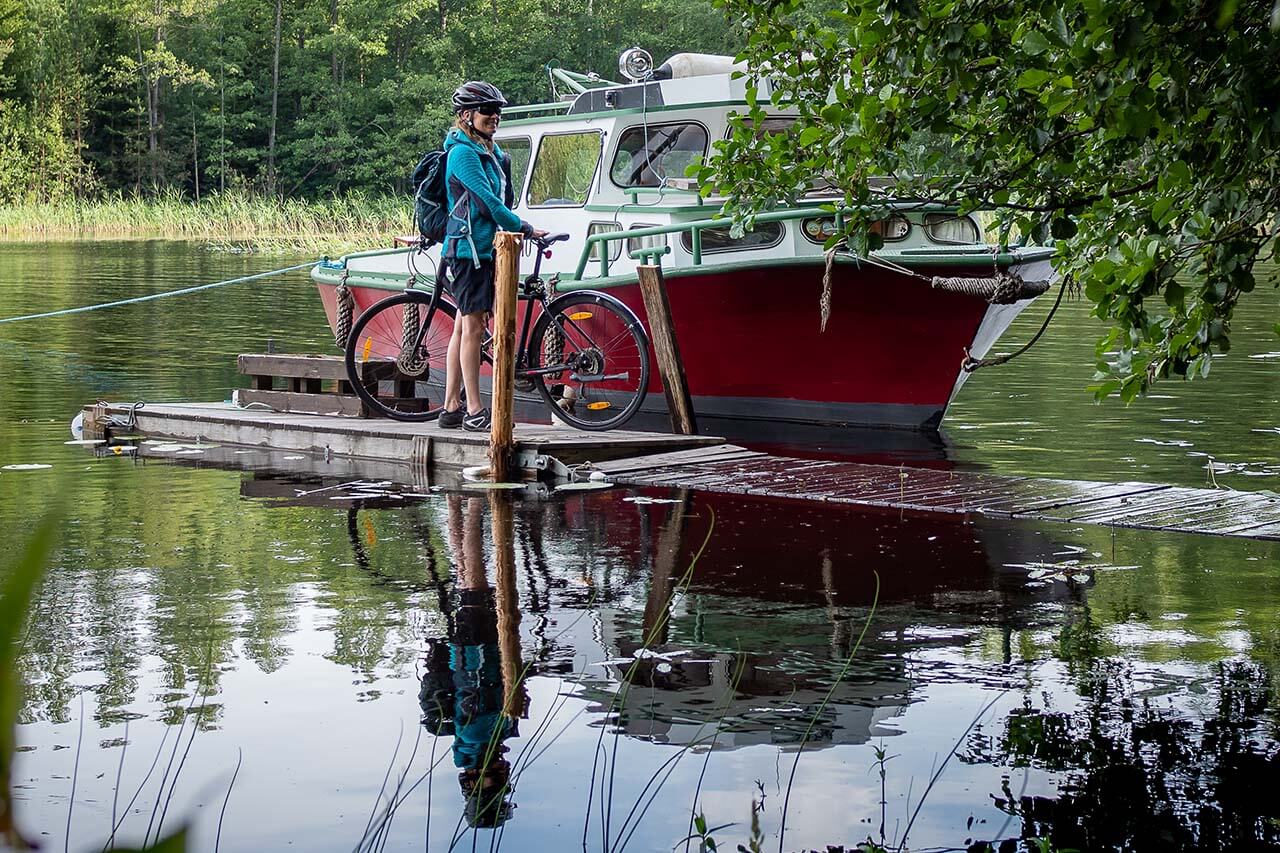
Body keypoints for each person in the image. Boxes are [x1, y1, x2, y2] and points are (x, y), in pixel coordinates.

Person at [438, 81, 546, 431]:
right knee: (472, 327)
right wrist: (524, 227)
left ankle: (450, 407)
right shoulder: (462, 153)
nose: (494, 116)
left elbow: (504, 198)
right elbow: (488, 203)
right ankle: (473, 411)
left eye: (497, 110)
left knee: (462, 327)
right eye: (487, 110)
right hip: (468, 251)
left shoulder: (494, 153)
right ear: (467, 116)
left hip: (487, 251)